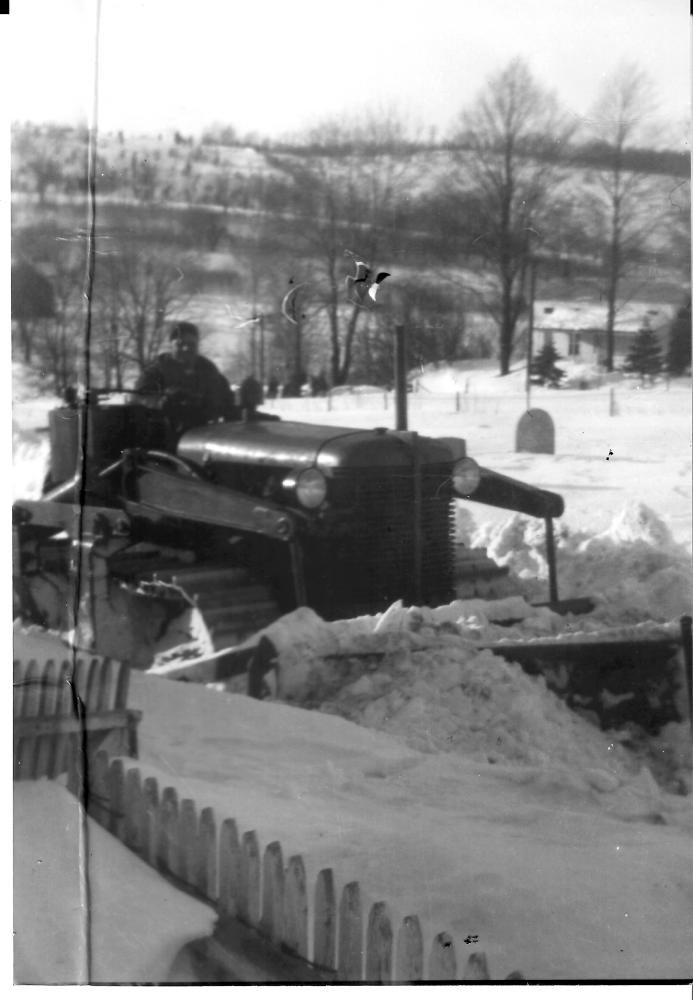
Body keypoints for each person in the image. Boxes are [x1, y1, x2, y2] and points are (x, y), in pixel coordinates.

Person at [135, 321, 238, 439]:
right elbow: (139, 397)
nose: (186, 348)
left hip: (203, 433)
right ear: (171, 345)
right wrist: (161, 401)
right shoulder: (157, 369)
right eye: (180, 344)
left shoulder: (208, 369)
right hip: (164, 436)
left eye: (191, 344)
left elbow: (226, 399)